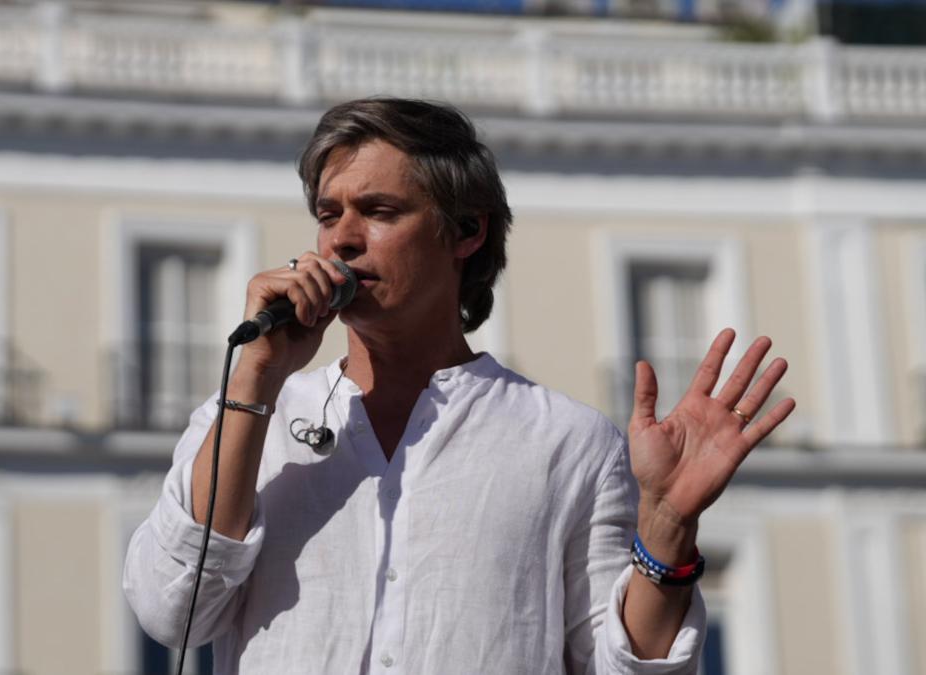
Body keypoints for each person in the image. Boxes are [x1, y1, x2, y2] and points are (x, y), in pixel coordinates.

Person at [123, 98, 794, 674]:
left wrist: (669, 530)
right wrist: (256, 380)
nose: (344, 240)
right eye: (329, 215)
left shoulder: (568, 441)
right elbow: (171, 609)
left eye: (379, 210)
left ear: (466, 230)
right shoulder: (246, 415)